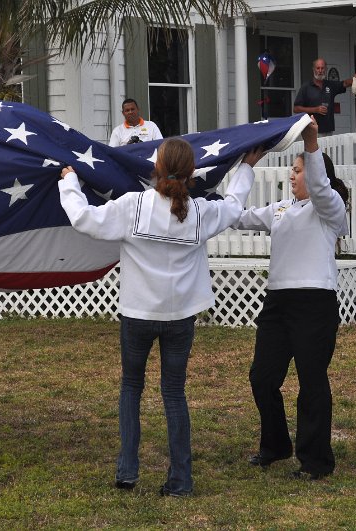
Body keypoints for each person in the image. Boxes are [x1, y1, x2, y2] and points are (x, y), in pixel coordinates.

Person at [58, 137, 266, 496]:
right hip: (180, 316)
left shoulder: (133, 206)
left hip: (138, 313)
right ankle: (181, 480)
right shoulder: (200, 212)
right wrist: (246, 165)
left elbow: (82, 218)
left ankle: (127, 472)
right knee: (174, 393)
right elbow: (233, 205)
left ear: (156, 166)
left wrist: (69, 182)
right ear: (191, 174)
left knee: (131, 388)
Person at [235, 116, 350, 480]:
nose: (292, 175)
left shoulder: (330, 208)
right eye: (292, 169)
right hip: (278, 303)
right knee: (262, 377)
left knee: (311, 381)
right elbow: (236, 217)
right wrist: (244, 168)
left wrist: (311, 144)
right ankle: (275, 445)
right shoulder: (281, 209)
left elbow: (319, 185)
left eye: (297, 170)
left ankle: (315, 460)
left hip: (314, 302)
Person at [293, 58, 356, 135]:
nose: (320, 70)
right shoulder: (306, 87)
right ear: (313, 69)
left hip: (328, 130)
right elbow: (296, 109)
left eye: (322, 68)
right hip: (311, 131)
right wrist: (315, 109)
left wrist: (354, 79)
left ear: (326, 69)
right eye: (318, 68)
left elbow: (344, 83)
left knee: (328, 147)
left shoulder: (330, 85)